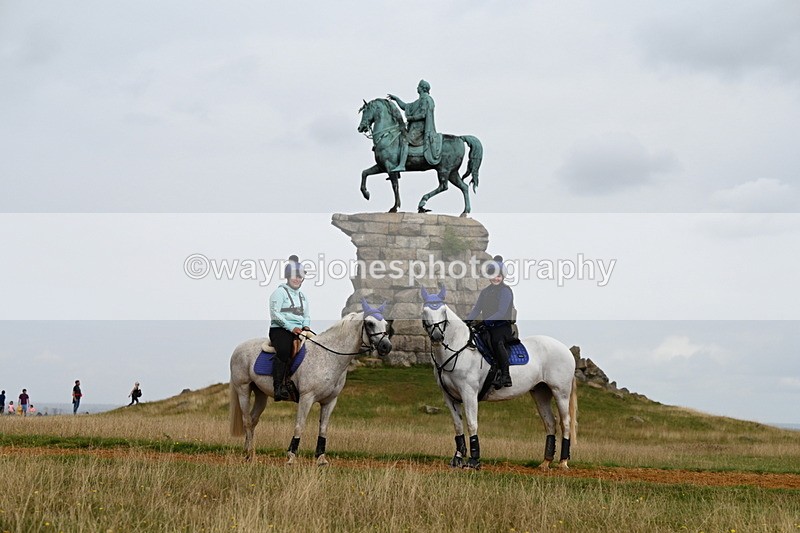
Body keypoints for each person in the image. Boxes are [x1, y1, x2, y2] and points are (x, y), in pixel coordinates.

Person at [466, 255, 515, 389]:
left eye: (499, 276)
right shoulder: (485, 292)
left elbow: (501, 312)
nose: (496, 278)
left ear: (502, 277)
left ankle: (505, 375)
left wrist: (484, 322)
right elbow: (477, 309)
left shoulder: (506, 291)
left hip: (501, 327)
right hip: (488, 326)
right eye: (493, 275)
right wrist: (467, 321)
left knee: (496, 342)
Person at [268, 255, 311, 401]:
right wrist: (291, 327)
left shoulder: (303, 296)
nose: (297, 279)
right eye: (294, 276)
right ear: (288, 277)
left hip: (300, 330)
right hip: (280, 329)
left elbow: (306, 315)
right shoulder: (279, 293)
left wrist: (306, 326)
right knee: (284, 351)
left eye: (300, 277)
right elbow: (275, 314)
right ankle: (278, 388)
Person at [387, 79, 441, 171]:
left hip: (420, 129)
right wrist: (396, 99)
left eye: (418, 86)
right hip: (414, 128)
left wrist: (411, 118)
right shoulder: (419, 100)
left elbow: (423, 114)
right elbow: (405, 106)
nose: (417, 88)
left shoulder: (426, 99)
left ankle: (402, 165)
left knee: (405, 141)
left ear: (422, 88)